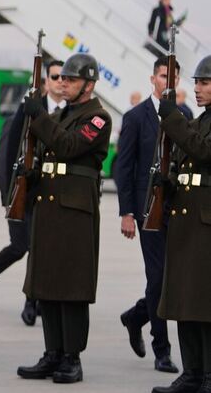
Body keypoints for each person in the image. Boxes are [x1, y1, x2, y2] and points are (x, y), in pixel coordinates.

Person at [17, 53, 112, 384]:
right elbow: (46, 151)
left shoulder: (98, 118)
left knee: (71, 287)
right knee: (48, 284)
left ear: (88, 84)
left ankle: (72, 357)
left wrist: (39, 119)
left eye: (70, 80)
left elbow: (70, 146)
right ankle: (52, 352)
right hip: (49, 207)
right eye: (61, 79)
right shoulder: (60, 115)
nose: (63, 84)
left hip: (74, 213)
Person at [0, 59, 66, 326]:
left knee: (40, 248)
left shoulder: (71, 115)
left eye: (64, 77)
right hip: (25, 194)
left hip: (52, 197)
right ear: (45, 81)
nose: (60, 82)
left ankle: (31, 300)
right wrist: (8, 196)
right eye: (55, 77)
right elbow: (7, 155)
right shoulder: (25, 114)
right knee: (22, 246)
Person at [116, 56, 183, 374]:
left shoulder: (184, 115)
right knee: (157, 278)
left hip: (179, 212)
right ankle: (162, 349)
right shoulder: (135, 117)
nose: (167, 81)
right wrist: (127, 212)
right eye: (161, 76)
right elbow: (124, 168)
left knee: (172, 280)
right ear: (152, 79)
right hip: (148, 212)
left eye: (172, 76)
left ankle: (136, 316)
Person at [152, 57, 211, 393]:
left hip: (205, 224)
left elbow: (202, 151)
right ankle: (192, 373)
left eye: (205, 83)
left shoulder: (198, 125)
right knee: (187, 301)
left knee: (204, 303)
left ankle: (208, 375)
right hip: (187, 221)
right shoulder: (201, 120)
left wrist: (172, 117)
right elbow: (185, 161)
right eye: (197, 82)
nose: (198, 89)